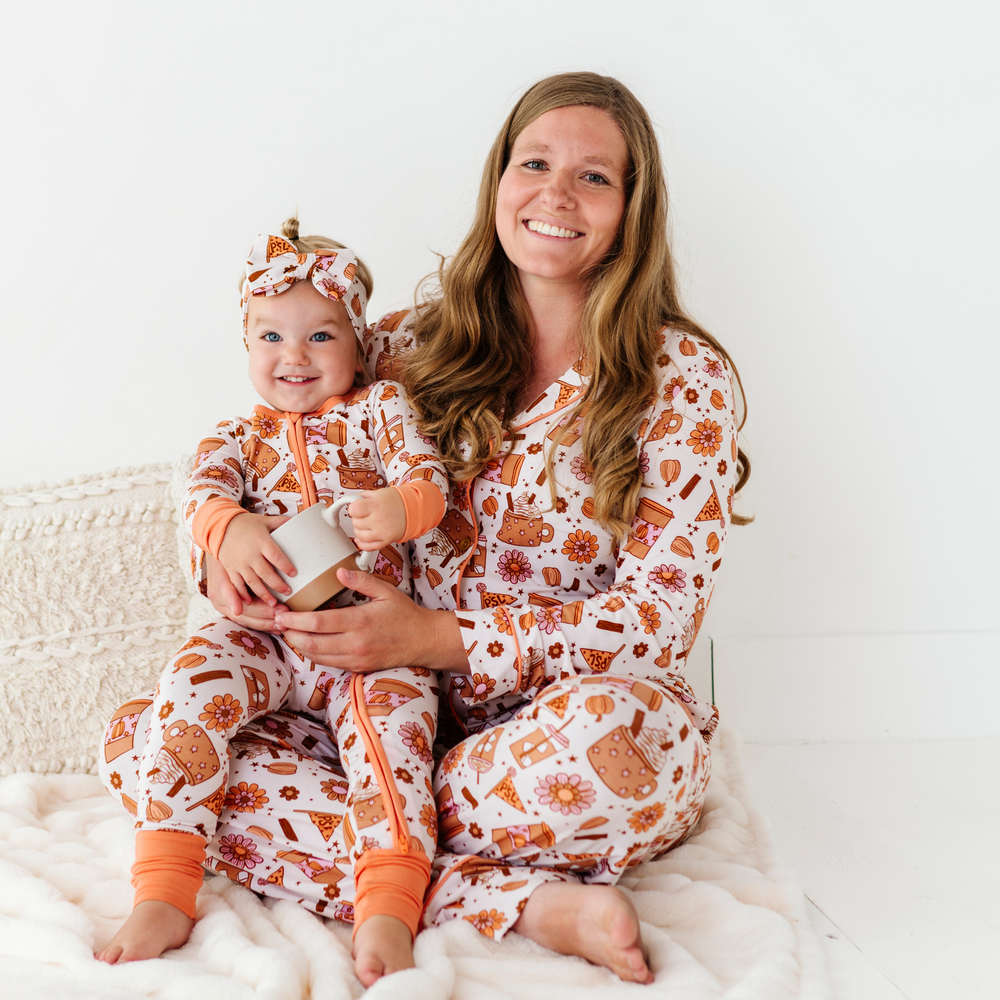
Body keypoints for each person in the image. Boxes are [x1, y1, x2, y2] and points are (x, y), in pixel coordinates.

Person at [99, 71, 750, 987]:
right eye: (535, 163)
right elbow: (267, 457)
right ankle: (514, 899)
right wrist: (225, 558)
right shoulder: (400, 344)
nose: (556, 195)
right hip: (376, 717)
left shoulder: (682, 377)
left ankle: (399, 853)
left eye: (595, 178)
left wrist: (437, 637)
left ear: (633, 210)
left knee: (627, 749)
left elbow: (657, 623)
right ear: (498, 184)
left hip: (552, 732)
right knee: (144, 738)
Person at [96, 224, 453, 983]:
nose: (294, 357)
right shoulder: (235, 436)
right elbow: (202, 500)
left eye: (320, 336)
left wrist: (402, 507)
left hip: (368, 637)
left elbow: (426, 476)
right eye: (271, 336)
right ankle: (164, 885)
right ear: (247, 344)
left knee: (394, 742)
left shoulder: (379, 410)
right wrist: (230, 532)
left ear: (357, 349)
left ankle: (388, 904)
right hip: (264, 636)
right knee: (187, 686)